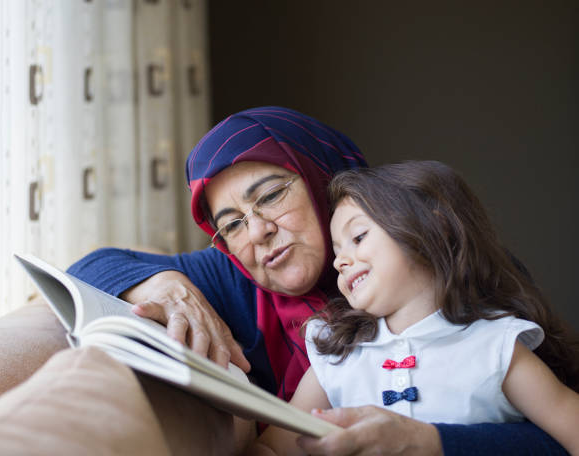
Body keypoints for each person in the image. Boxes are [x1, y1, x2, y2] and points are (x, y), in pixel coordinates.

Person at [67, 107, 568, 455]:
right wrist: (164, 287)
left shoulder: (458, 275)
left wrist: (430, 444)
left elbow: (558, 436)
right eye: (232, 223)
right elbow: (91, 268)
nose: (258, 232)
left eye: (269, 197)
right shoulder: (235, 278)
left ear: (322, 180)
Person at [246, 162, 579, 456]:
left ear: (436, 228)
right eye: (337, 250)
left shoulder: (497, 345)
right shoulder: (337, 353)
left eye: (359, 237)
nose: (340, 261)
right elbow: (276, 445)